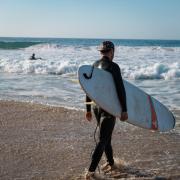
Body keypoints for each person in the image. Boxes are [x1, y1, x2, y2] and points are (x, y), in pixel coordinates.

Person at [85, 41, 128, 180]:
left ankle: (111, 163)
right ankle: (90, 172)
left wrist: (88, 109)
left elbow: (88, 88)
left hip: (96, 107)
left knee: (107, 138)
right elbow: (121, 89)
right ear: (112, 51)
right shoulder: (114, 67)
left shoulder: (94, 65)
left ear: (101, 52)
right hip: (109, 109)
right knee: (103, 140)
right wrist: (124, 109)